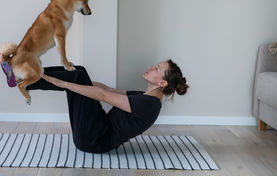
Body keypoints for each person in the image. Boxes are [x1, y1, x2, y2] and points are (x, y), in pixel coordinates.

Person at [26, 59, 189, 153]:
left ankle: (24, 78)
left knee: (76, 76)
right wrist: (76, 81)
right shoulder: (144, 97)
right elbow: (107, 89)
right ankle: (27, 73)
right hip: (94, 134)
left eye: (157, 69)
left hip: (94, 140)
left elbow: (103, 96)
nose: (151, 68)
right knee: (79, 72)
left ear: (162, 82)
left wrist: (63, 83)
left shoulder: (148, 104)